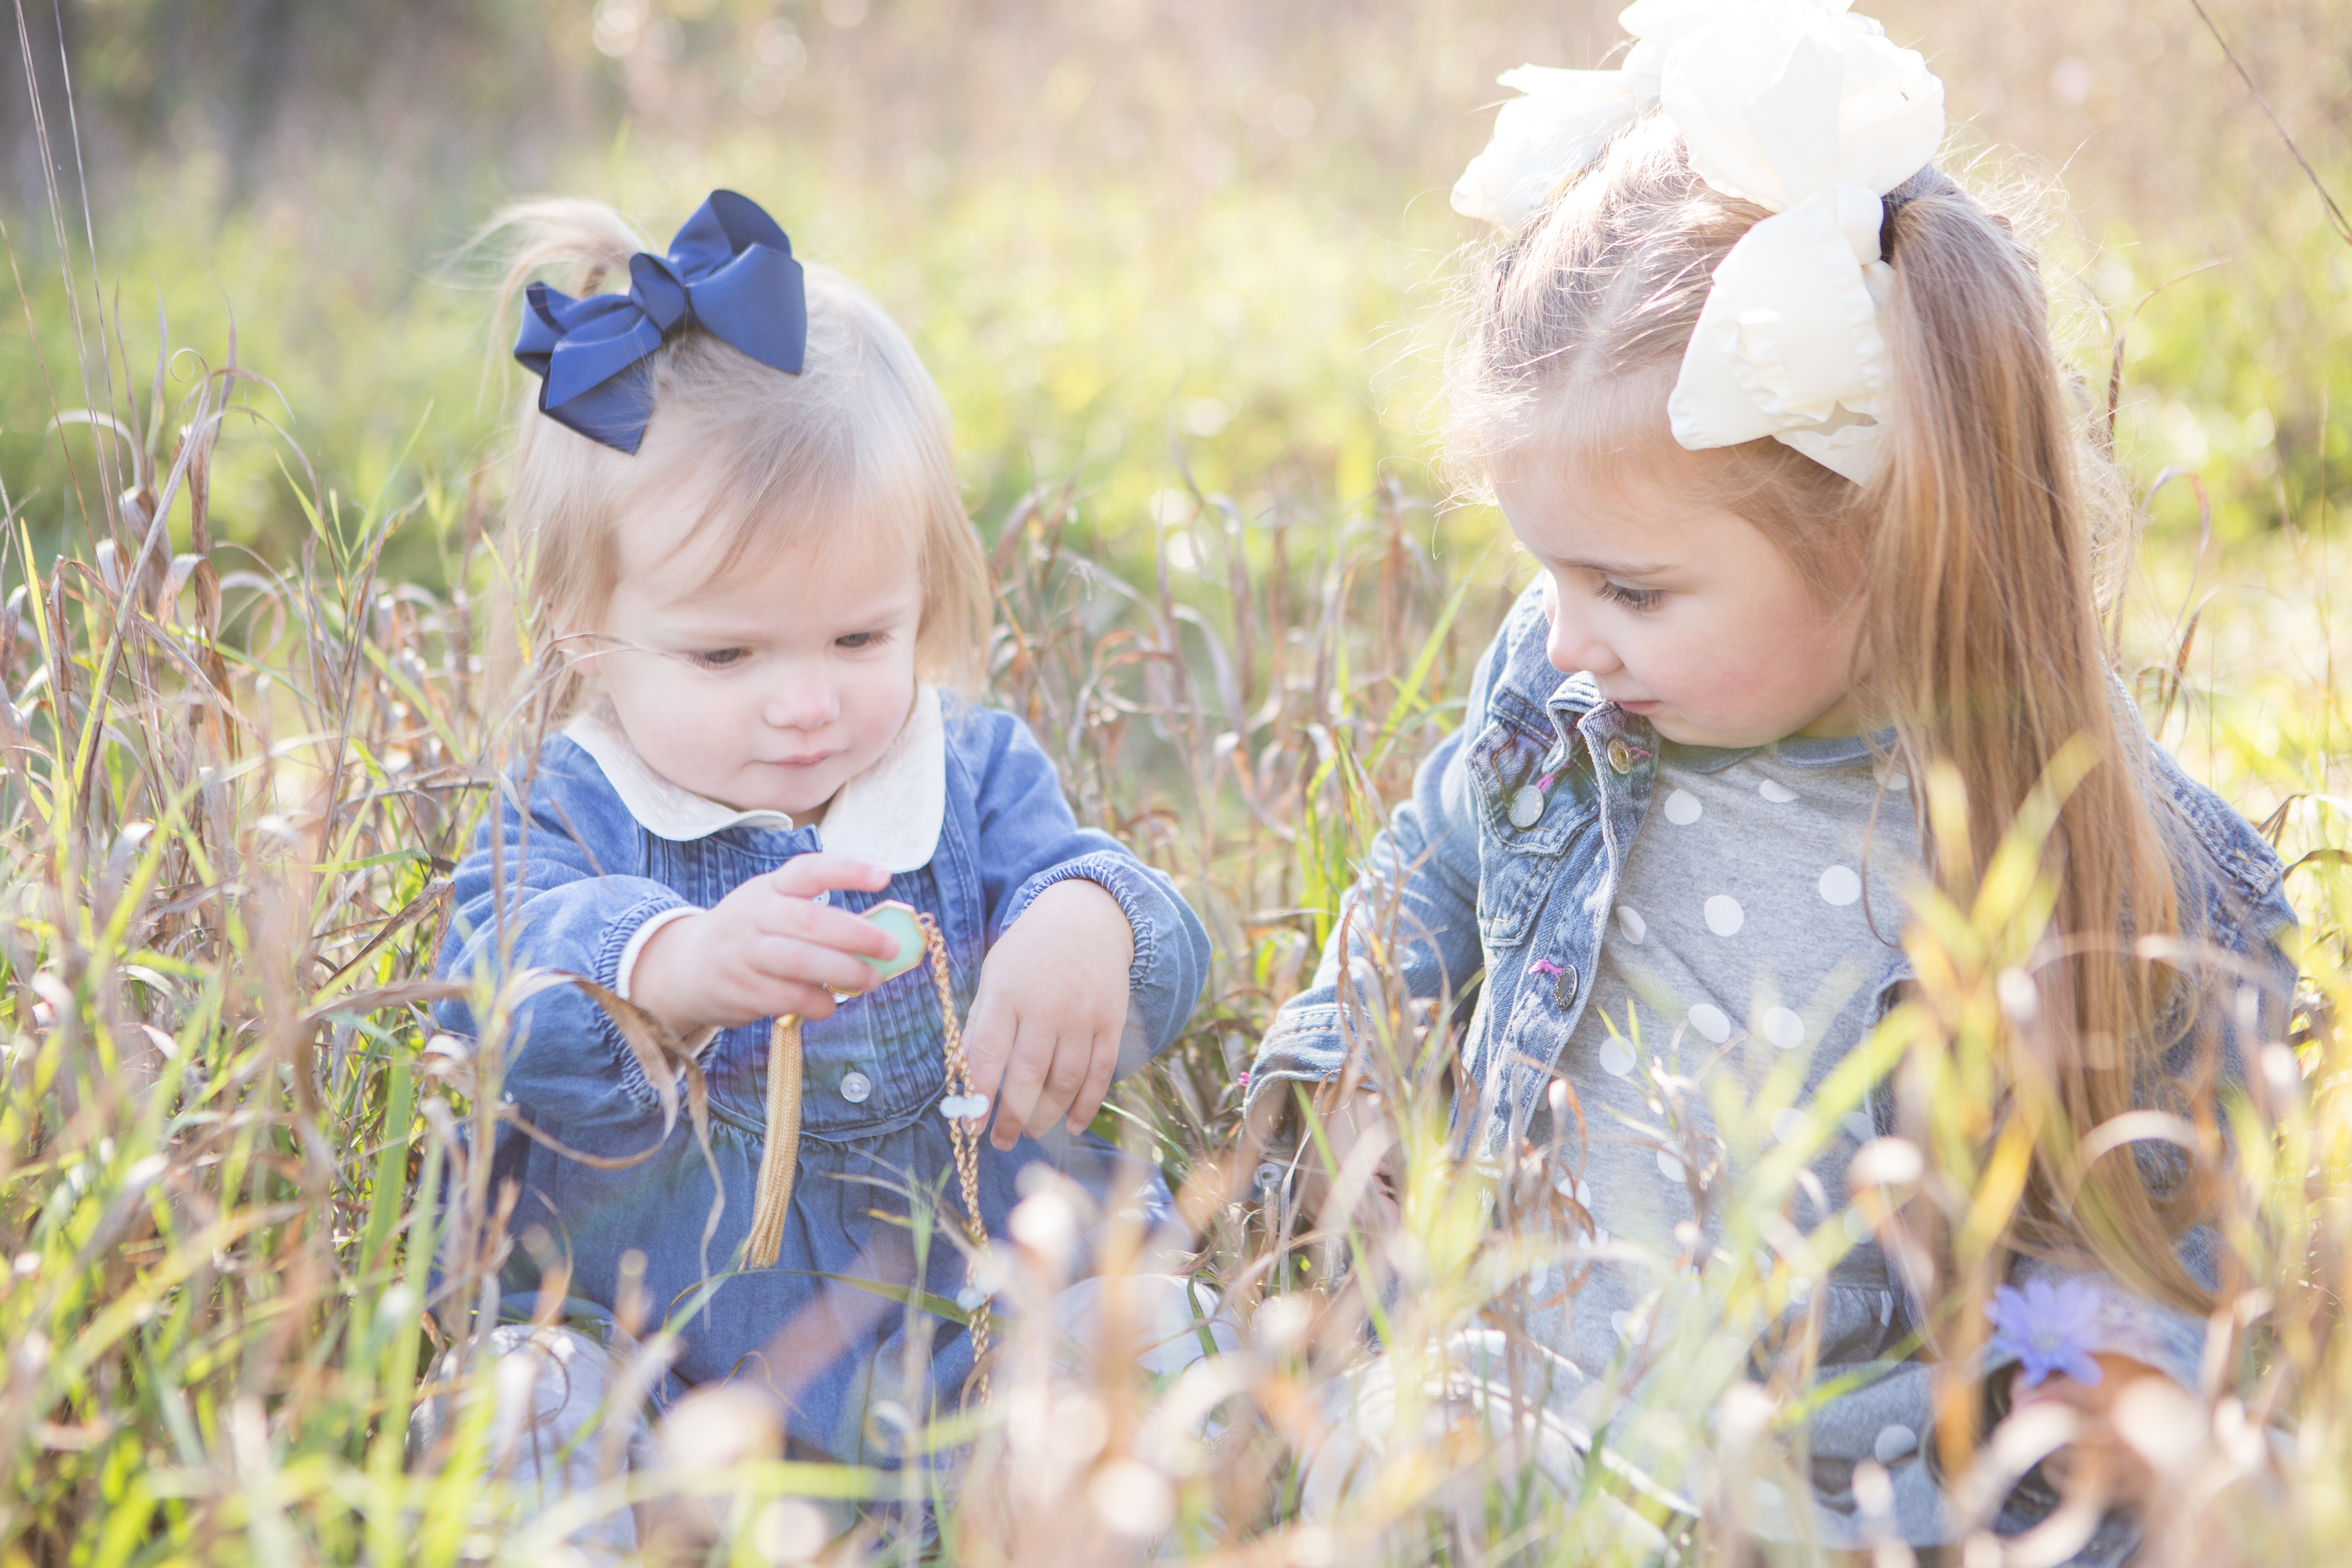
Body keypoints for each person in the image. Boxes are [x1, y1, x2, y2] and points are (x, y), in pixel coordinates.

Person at [1246, 4, 2295, 1561]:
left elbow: (2141, 1242)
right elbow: (1445, 856)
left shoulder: (2089, 844)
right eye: (1548, 575)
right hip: (1523, 1395)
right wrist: (1342, 1069)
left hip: (1846, 1473)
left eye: (1633, 590)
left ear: (1882, 545)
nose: (1568, 639)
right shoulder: (1568, 694)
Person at [426, 190, 1212, 1537]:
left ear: (924, 594)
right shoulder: (572, 813)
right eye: (728, 656)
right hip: (667, 1397)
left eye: (858, 639)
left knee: (1151, 1335)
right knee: (520, 1398)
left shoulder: (968, 775)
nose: (806, 704)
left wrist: (1090, 922)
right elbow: (489, 1008)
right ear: (584, 634)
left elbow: (1151, 937)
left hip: (974, 1355)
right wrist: (668, 972)